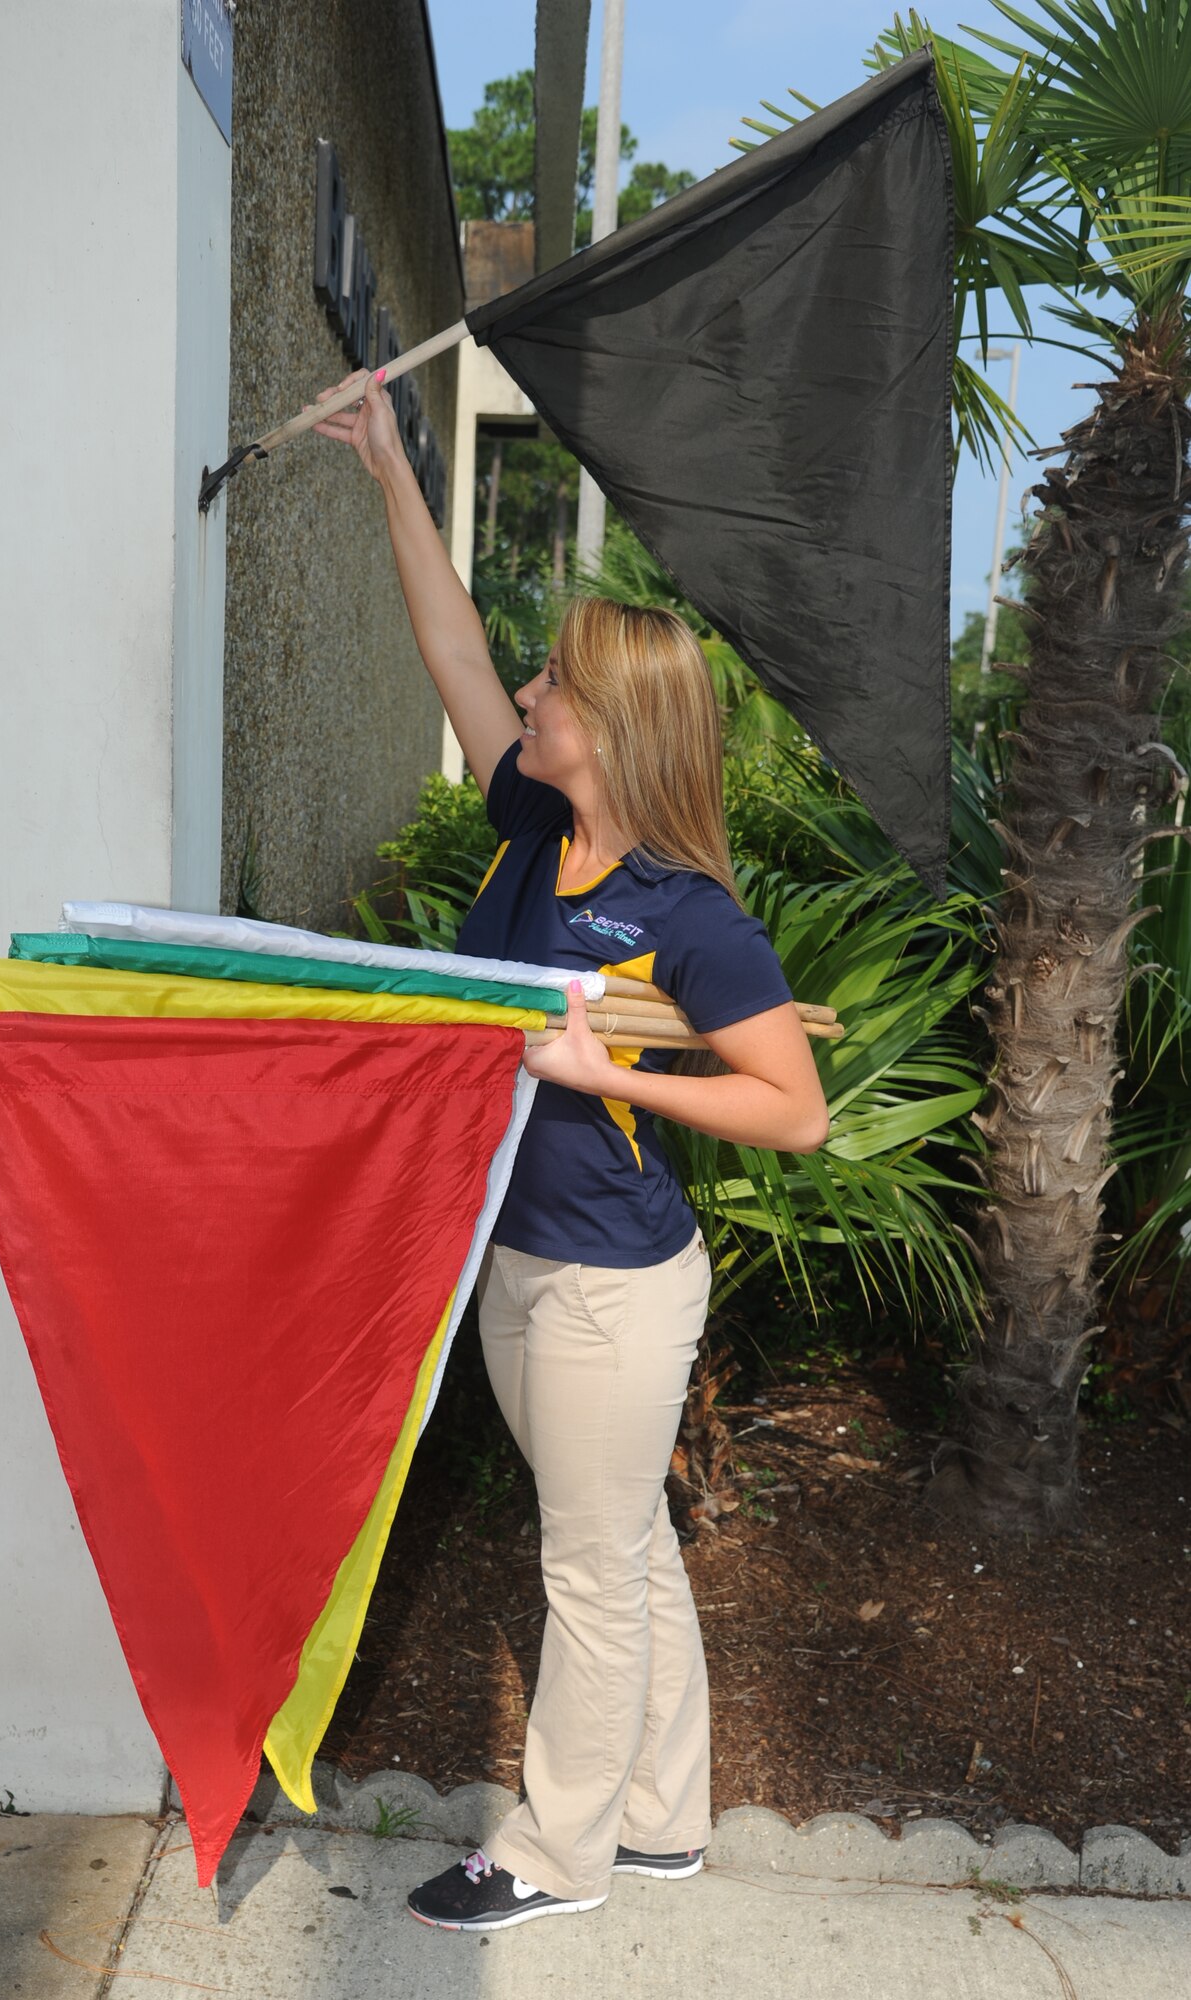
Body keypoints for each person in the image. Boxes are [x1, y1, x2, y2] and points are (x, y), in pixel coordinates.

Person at [314, 370, 829, 1933]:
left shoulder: (688, 913)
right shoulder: (539, 834)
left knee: (590, 1573)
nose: (524, 697)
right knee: (625, 1545)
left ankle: (558, 1854)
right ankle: (667, 1817)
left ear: (607, 730)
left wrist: (615, 1073)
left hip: (613, 1283)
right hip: (523, 1259)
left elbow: (794, 1110)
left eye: (552, 689)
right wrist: (391, 468)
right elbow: (453, 648)